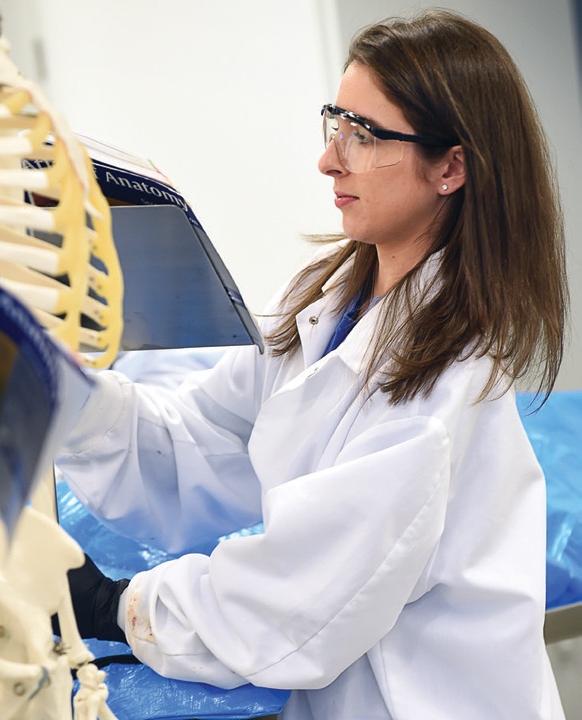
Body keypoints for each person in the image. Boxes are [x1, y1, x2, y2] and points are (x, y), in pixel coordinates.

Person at [56, 9, 568, 720]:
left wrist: (117, 606)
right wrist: (63, 392)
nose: (329, 159)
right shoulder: (325, 303)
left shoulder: (446, 385)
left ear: (449, 167)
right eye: (335, 124)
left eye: (365, 136)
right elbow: (194, 448)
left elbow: (292, 607)